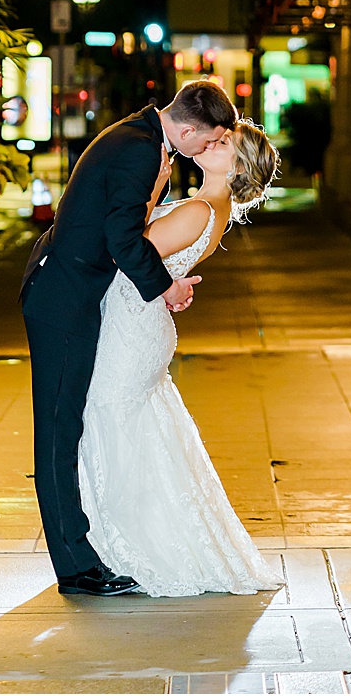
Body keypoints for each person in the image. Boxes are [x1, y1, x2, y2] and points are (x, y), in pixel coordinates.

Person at [18, 77, 235, 596]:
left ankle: (79, 557)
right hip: (62, 295)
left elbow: (121, 219)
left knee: (63, 425)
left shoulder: (140, 138)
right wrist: (164, 287)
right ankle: (75, 567)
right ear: (184, 128)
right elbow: (122, 238)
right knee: (57, 430)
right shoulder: (140, 149)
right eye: (204, 142)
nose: (203, 151)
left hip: (68, 288)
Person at [76, 122, 284, 596]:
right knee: (139, 429)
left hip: (132, 328)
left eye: (224, 143)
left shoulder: (199, 210)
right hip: (139, 325)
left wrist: (149, 191)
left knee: (114, 423)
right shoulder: (216, 211)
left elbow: (129, 246)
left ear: (237, 167)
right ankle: (120, 543)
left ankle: (131, 547)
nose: (212, 142)